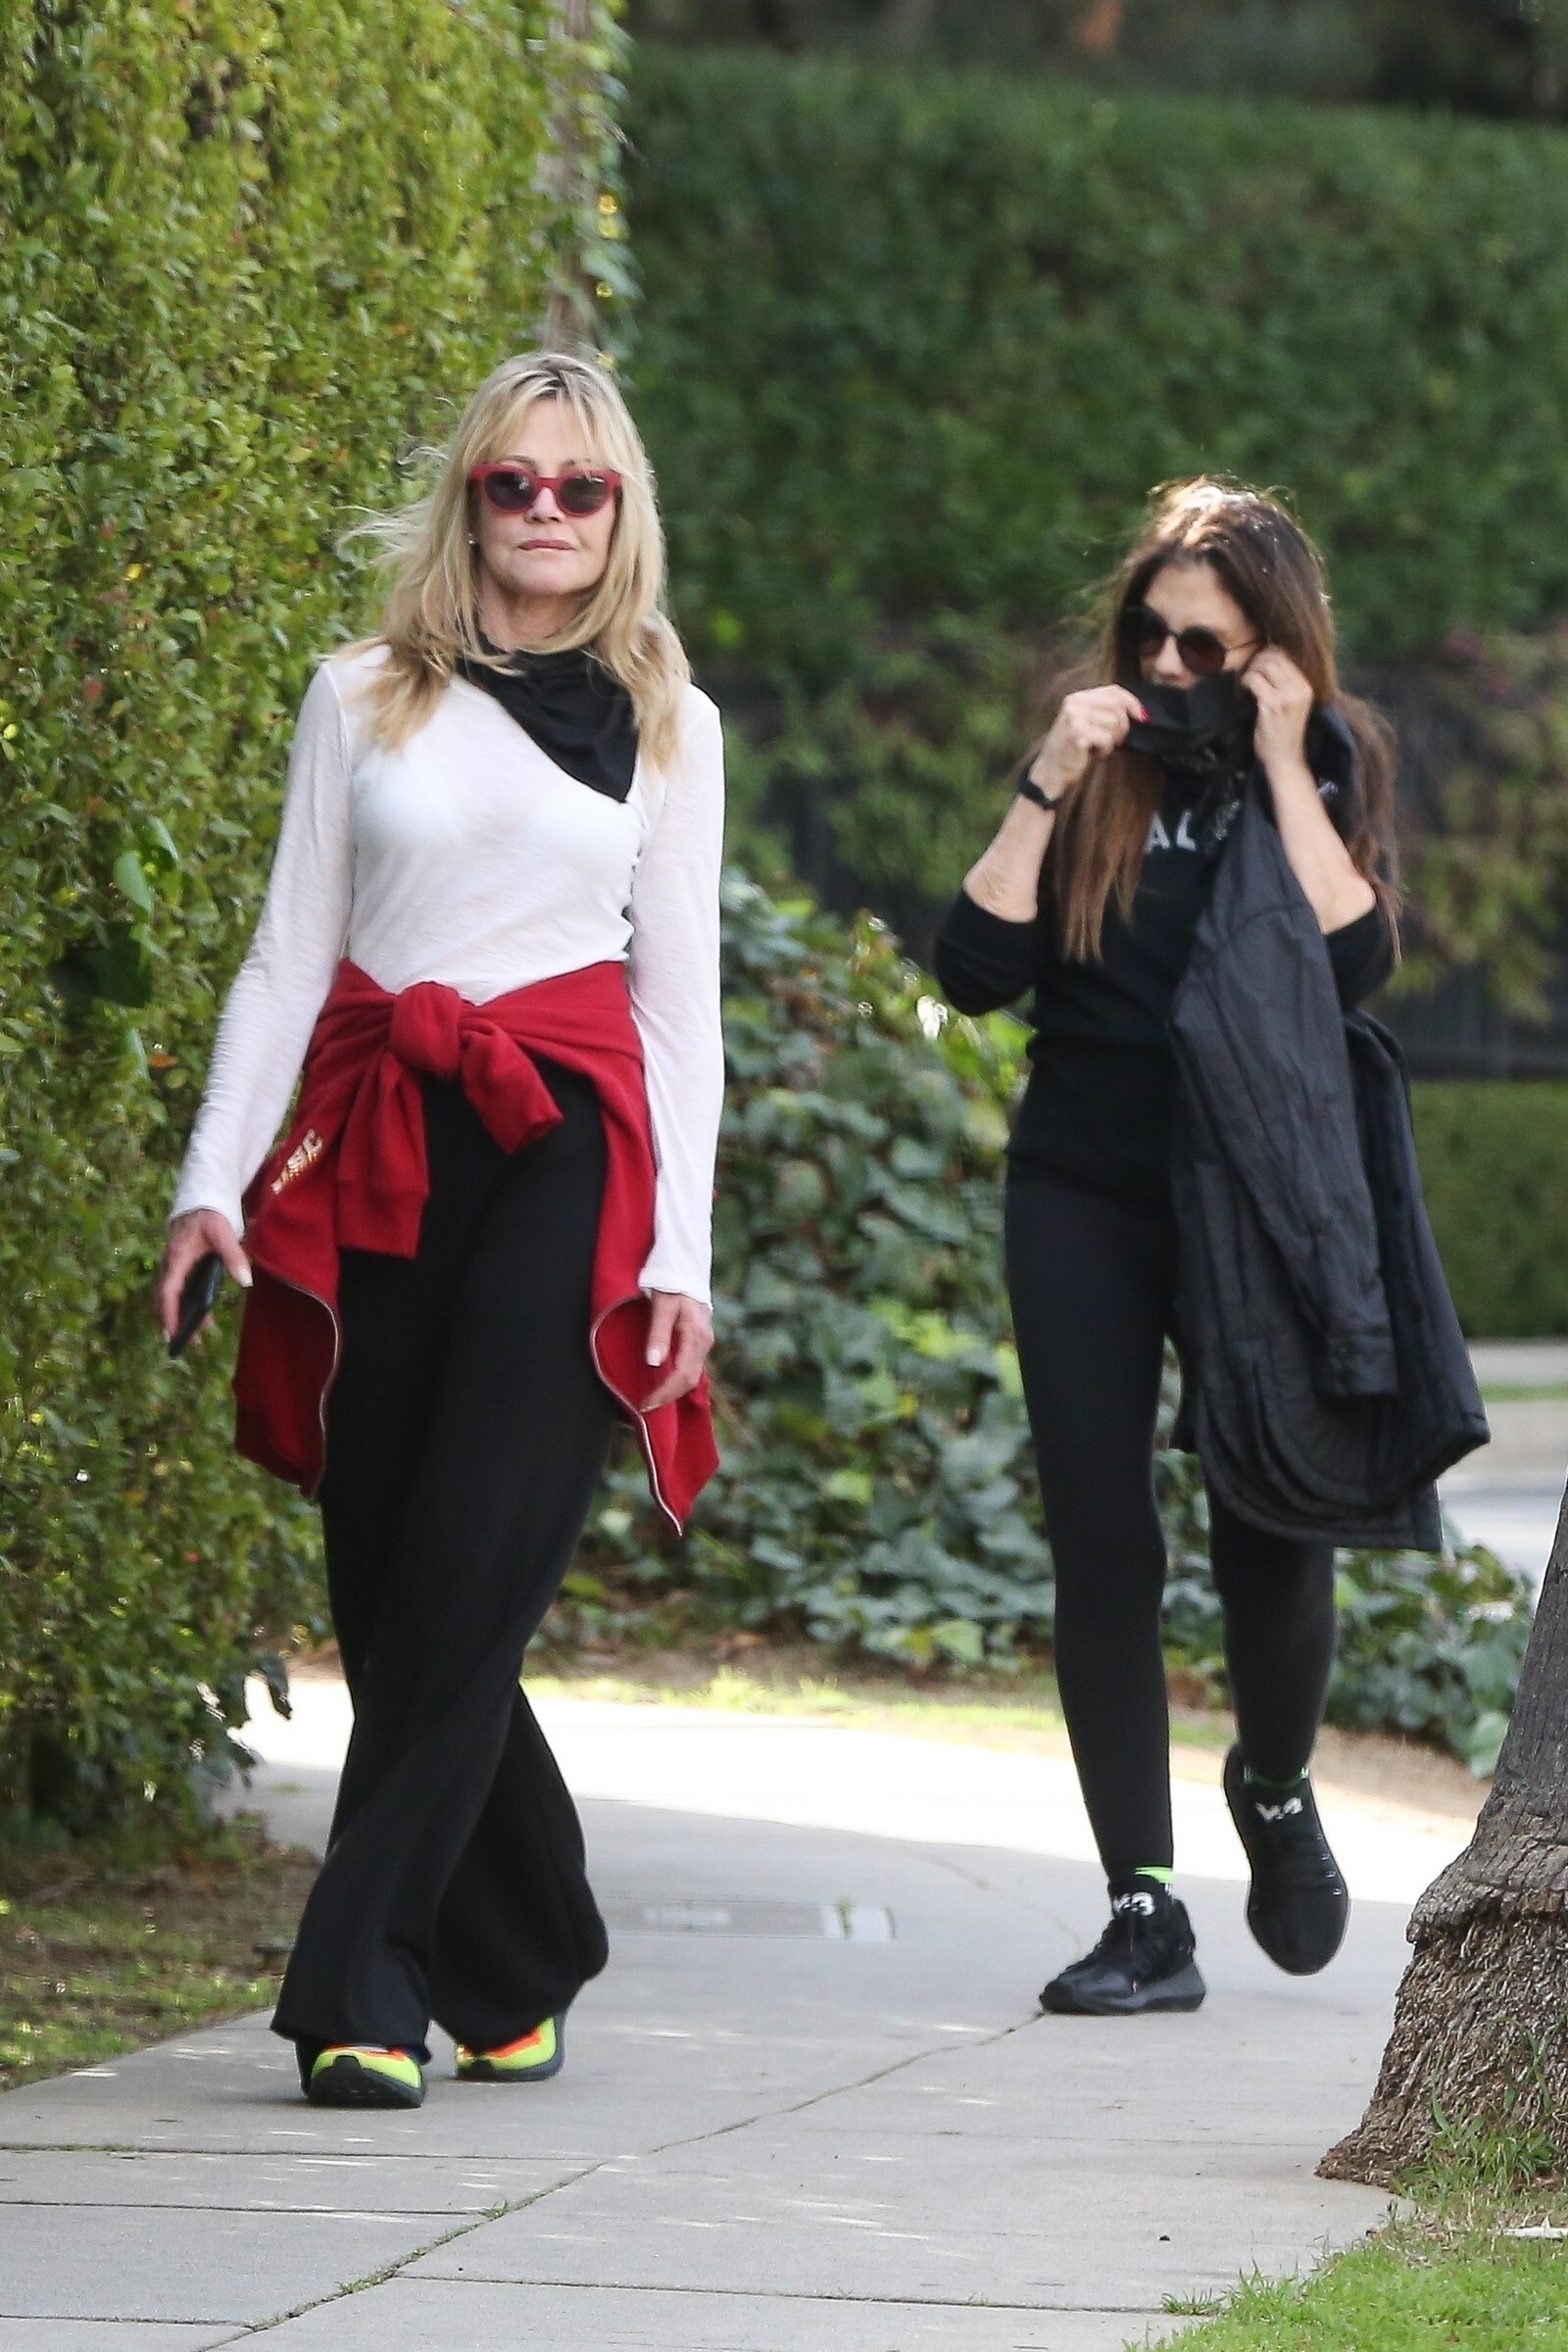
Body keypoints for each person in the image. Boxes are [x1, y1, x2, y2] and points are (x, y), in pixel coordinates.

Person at [157, 351, 724, 2107]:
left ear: (621, 512)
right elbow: (287, 956)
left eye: (582, 487)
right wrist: (208, 1182)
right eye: (514, 482)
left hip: (569, 1152)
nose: (548, 511)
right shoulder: (360, 694)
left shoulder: (669, 719)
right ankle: (522, 1952)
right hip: (377, 1144)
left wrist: (681, 1258)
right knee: (396, 1579)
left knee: (477, 1559)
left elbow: (679, 1012)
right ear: (469, 498)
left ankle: (361, 1989)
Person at [932, 480, 1400, 2018]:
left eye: (1209, 645)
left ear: (1275, 649)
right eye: (1153, 635)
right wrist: (1047, 778)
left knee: (1274, 1529)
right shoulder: (1099, 771)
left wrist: (1283, 757)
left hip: (1251, 1196)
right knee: (1103, 1537)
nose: (1171, 667)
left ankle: (1272, 1781)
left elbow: (1354, 960)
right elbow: (972, 968)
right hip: (1082, 1185)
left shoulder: (1322, 762)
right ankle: (1143, 1910)